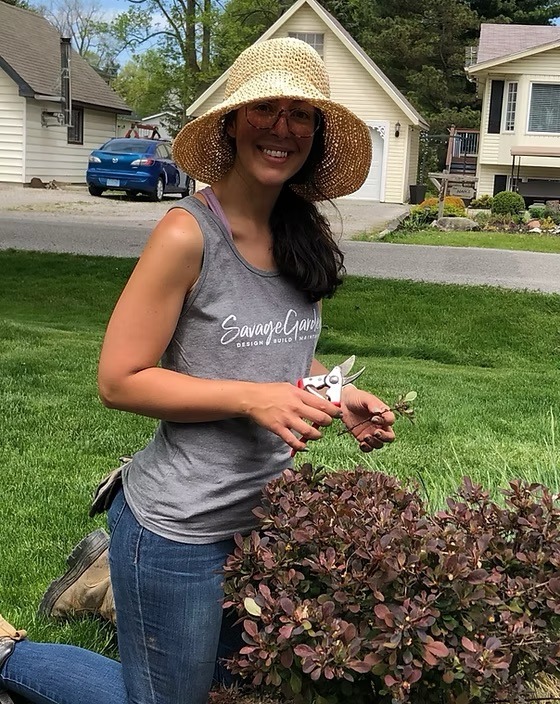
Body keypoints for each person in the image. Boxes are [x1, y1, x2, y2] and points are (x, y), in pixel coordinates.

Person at [0, 37, 395, 704]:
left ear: (317, 135)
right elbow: (119, 378)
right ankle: (11, 653)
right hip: (175, 529)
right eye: (265, 109)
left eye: (301, 114)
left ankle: (99, 582)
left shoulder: (299, 233)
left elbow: (280, 353)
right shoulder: (187, 235)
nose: (282, 127)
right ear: (232, 124)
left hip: (259, 521)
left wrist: (339, 390)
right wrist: (252, 400)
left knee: (228, 688)